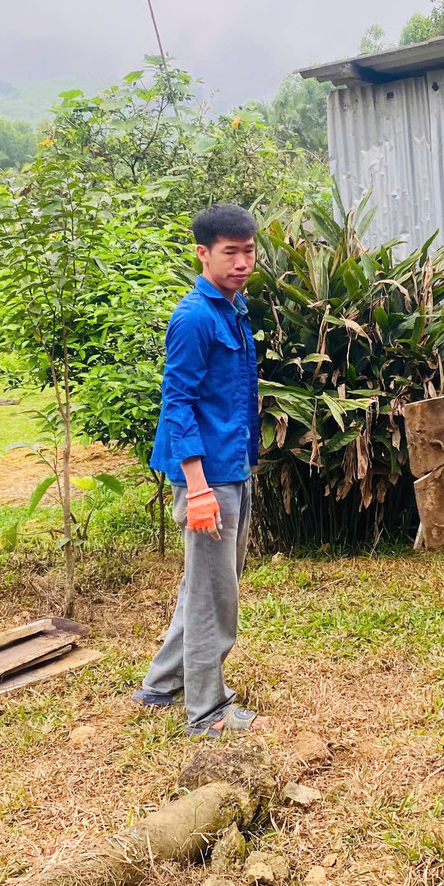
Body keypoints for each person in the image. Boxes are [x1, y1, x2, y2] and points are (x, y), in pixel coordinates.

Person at [132, 204, 269, 737]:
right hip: (207, 474)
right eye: (229, 252)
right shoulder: (194, 317)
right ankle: (207, 710)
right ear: (203, 253)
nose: (241, 262)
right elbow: (178, 402)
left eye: (248, 251)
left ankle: (161, 685)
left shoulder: (232, 309)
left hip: (230, 464)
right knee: (215, 593)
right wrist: (198, 488)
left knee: (206, 582)